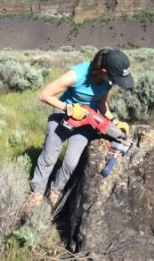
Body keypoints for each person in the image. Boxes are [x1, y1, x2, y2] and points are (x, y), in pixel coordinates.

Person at [27, 48, 134, 210]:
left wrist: (114, 120)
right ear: (103, 71)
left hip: (87, 119)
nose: (115, 82)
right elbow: (45, 94)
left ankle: (56, 190)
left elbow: (101, 104)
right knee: (49, 158)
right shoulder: (76, 75)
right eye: (114, 78)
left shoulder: (107, 81)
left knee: (71, 162)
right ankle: (37, 192)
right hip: (63, 114)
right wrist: (68, 108)